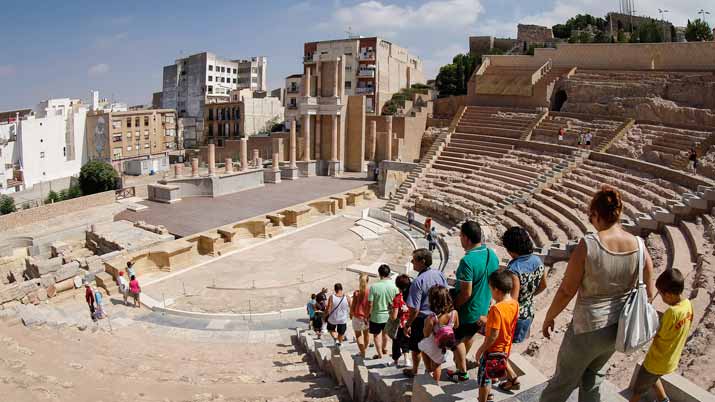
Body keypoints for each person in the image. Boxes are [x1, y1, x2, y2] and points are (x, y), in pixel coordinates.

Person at [540, 186, 655, 402]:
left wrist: (549, 317)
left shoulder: (589, 244)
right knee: (593, 379)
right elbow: (649, 291)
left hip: (587, 328)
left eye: (590, 216)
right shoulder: (639, 245)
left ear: (595, 214)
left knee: (562, 382)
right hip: (618, 328)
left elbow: (566, 291)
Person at [629, 269, 693, 402]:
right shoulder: (687, 305)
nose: (662, 298)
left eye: (662, 295)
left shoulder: (672, 312)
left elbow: (657, 332)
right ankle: (663, 399)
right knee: (653, 378)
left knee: (638, 389)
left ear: (669, 295)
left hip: (656, 360)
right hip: (670, 359)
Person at [448, 220, 499, 382]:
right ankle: (460, 363)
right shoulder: (492, 254)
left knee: (455, 341)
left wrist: (453, 306)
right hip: (483, 307)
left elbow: (466, 293)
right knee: (470, 336)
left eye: (461, 236)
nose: (460, 239)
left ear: (467, 238)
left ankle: (461, 370)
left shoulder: (467, 261)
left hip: (467, 311)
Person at [499, 226, 547, 391]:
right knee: (509, 346)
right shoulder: (537, 261)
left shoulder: (514, 269)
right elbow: (544, 285)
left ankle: (511, 378)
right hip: (528, 312)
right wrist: (529, 297)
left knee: (498, 347)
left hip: (515, 316)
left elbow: (513, 299)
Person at [474, 270, 519, 402]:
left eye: (490, 290)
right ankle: (490, 395)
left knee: (483, 379)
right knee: (491, 374)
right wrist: (488, 320)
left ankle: (483, 398)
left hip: (492, 350)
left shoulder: (496, 309)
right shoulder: (514, 304)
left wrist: (481, 350)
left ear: (497, 290)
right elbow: (506, 323)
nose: (491, 293)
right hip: (505, 347)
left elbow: (493, 335)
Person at [403, 248, 448, 378]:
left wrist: (408, 324)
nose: (412, 262)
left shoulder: (418, 282)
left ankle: (416, 371)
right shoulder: (439, 274)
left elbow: (415, 309)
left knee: (417, 347)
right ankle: (431, 374)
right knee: (434, 348)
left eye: (414, 260)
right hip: (439, 317)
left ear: (422, 261)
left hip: (422, 320)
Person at [419, 285, 458, 383]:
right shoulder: (454, 313)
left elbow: (426, 334)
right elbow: (456, 326)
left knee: (423, 349)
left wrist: (425, 325)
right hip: (444, 344)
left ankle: (430, 374)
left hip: (434, 344)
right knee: (437, 364)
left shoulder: (432, 318)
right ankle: (435, 381)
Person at [367, 264, 399, 359]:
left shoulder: (374, 287)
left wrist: (368, 314)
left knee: (376, 335)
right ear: (389, 273)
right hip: (389, 315)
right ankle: (385, 349)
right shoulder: (394, 287)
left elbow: (370, 304)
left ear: (379, 274)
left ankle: (380, 354)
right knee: (385, 333)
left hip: (376, 316)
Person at [390, 274, 411, 366]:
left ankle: (396, 360)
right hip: (409, 322)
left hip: (399, 324)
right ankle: (407, 359)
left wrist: (390, 312)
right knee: (406, 341)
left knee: (396, 342)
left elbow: (394, 316)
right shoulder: (412, 296)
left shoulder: (397, 298)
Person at [350, 273, 371, 357]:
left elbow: (353, 306)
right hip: (367, 318)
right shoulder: (370, 292)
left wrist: (351, 314)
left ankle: (362, 352)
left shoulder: (356, 293)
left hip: (357, 316)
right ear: (368, 281)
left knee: (358, 335)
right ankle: (364, 349)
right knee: (366, 334)